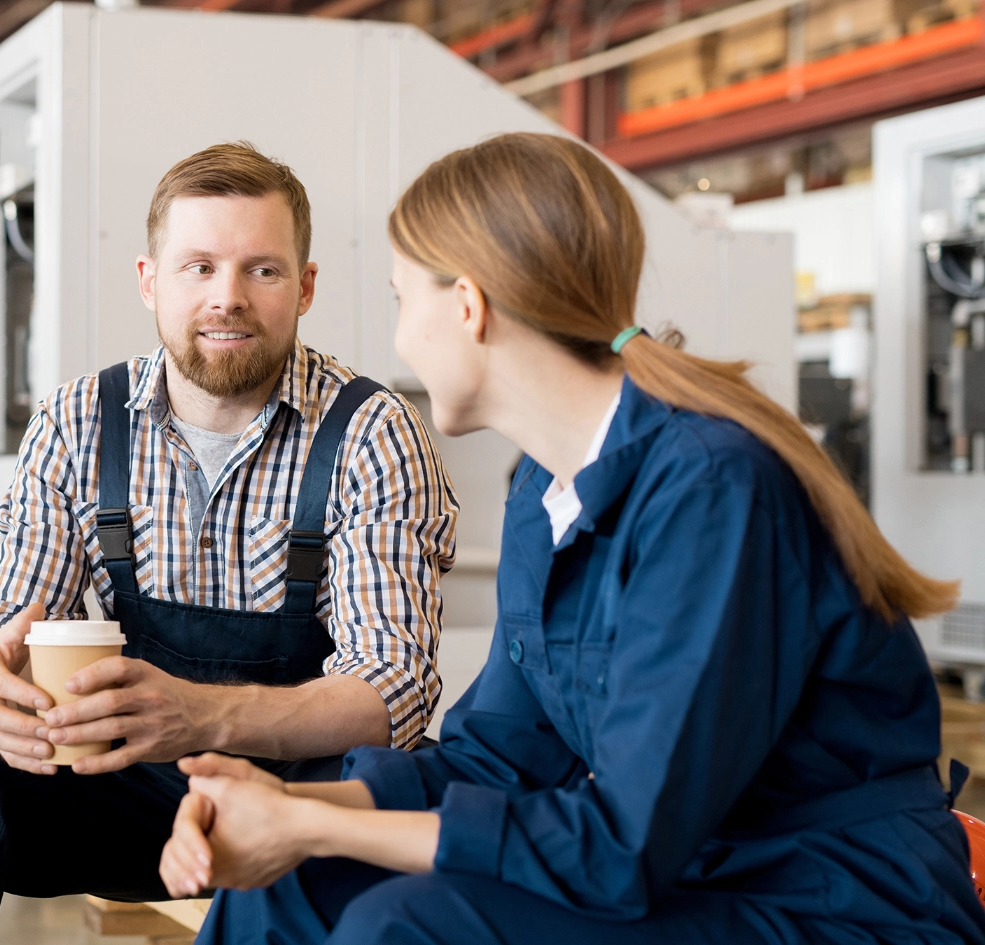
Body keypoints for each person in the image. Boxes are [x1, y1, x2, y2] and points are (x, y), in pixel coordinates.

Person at [158, 132, 985, 945]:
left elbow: (622, 846)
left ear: (469, 307)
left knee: (404, 923)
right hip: (698, 876)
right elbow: (495, 763)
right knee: (289, 886)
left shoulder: (712, 489)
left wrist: (314, 826)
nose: (402, 338)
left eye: (404, 300)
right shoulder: (541, 492)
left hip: (832, 900)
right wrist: (289, 813)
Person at [0, 142, 459, 944]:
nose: (226, 298)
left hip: (295, 796)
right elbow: (6, 619)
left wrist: (201, 716)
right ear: (149, 280)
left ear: (305, 287)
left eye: (262, 271)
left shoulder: (371, 433)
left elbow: (396, 691)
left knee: (385, 792)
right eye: (197, 267)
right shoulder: (79, 420)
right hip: (118, 789)